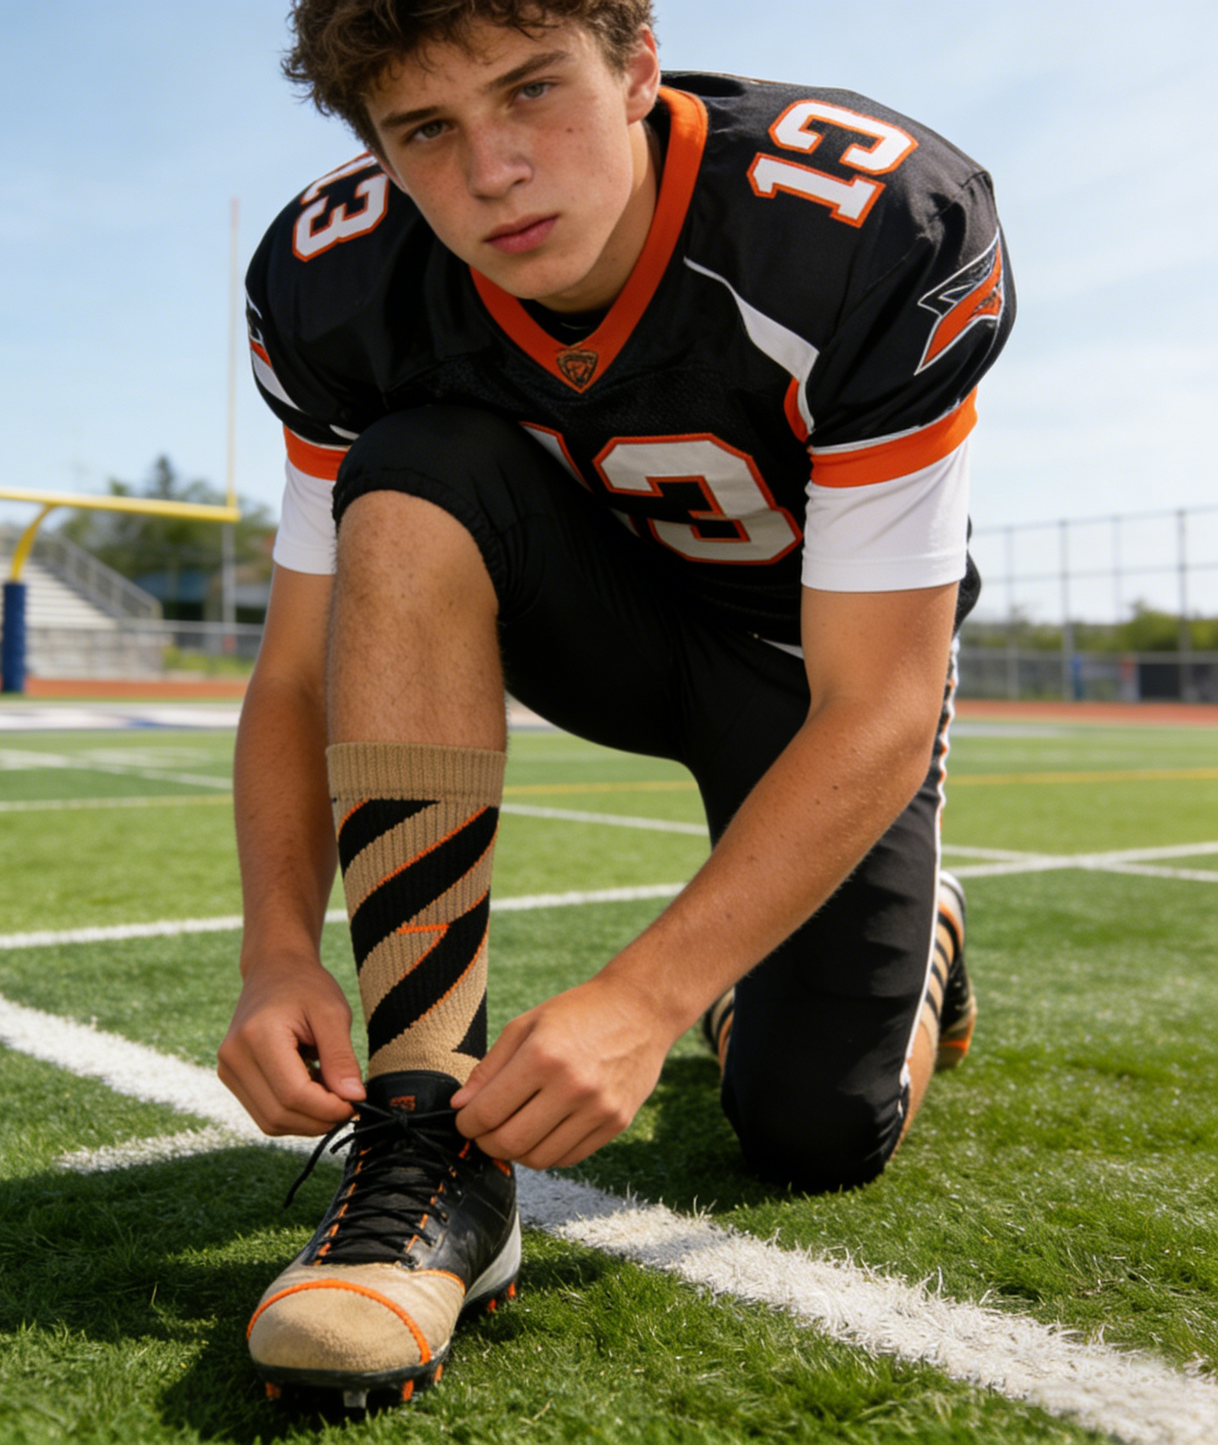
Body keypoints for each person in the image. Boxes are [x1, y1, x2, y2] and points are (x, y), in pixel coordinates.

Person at [217, 0, 1011, 1409]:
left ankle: (912, 933)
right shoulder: (336, 279)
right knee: (406, 473)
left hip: (811, 684)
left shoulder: (865, 221)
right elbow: (294, 667)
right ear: (381, 155)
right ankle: (428, 1148)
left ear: (638, 63)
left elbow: (884, 704)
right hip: (597, 629)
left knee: (808, 1130)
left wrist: (648, 997)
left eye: (533, 93)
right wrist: (278, 953)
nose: (494, 170)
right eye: (428, 131)